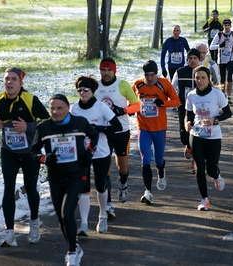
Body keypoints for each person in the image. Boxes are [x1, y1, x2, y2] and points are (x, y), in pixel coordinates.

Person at [30, 94, 99, 265]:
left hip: (77, 175)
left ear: (68, 108)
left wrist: (89, 153)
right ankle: (74, 245)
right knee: (61, 219)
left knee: (67, 213)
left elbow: (94, 135)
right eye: (52, 108)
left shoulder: (80, 122)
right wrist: (44, 159)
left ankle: (72, 252)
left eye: (59, 108)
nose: (55, 111)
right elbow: (33, 151)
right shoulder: (44, 127)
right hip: (56, 177)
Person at [0, 67, 50, 247]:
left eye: (13, 79)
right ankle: (9, 233)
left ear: (20, 83)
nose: (9, 82)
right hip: (8, 150)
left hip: (29, 151)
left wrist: (28, 127)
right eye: (6, 79)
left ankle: (34, 222)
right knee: (8, 188)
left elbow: (47, 121)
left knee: (31, 188)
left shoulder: (30, 100)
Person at [70, 76, 122, 236]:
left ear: (92, 91)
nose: (82, 93)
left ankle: (102, 216)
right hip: (83, 153)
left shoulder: (101, 107)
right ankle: (84, 224)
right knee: (84, 188)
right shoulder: (74, 109)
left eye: (85, 90)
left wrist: (99, 129)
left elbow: (117, 126)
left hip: (101, 152)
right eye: (79, 90)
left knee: (100, 185)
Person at [94, 57, 140, 219]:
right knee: (105, 170)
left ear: (115, 70)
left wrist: (123, 111)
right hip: (103, 133)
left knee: (123, 168)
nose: (106, 73)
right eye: (103, 70)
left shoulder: (123, 85)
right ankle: (108, 205)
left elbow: (137, 105)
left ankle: (123, 184)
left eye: (109, 70)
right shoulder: (95, 87)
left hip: (121, 131)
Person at [132, 60, 180, 204]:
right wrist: (130, 109)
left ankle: (161, 171)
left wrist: (163, 103)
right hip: (143, 128)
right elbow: (132, 101)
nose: (150, 78)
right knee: (145, 159)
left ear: (156, 74)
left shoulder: (164, 84)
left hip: (159, 129)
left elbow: (177, 101)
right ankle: (148, 192)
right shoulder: (137, 84)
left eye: (152, 75)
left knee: (158, 160)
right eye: (147, 75)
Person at [185, 66, 232, 211]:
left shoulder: (217, 94)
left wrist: (214, 120)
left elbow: (228, 113)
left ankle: (216, 175)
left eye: (203, 78)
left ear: (208, 78)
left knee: (210, 169)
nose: (200, 81)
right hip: (197, 135)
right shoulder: (191, 95)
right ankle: (204, 199)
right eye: (197, 78)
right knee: (199, 169)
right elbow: (189, 114)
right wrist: (187, 122)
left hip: (213, 136)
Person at [171, 49, 201, 174]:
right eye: (190, 58)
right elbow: (172, 88)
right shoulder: (180, 72)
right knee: (184, 136)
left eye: (195, 58)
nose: (193, 60)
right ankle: (188, 145)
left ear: (199, 60)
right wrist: (175, 100)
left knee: (198, 136)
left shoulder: (203, 72)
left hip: (200, 109)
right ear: (187, 60)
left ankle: (195, 162)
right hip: (184, 108)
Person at [209, 18, 233, 104]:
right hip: (221, 59)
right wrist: (219, 45)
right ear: (223, 26)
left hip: (231, 58)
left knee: (229, 77)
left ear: (230, 26)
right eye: (225, 25)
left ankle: (229, 95)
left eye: (228, 25)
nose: (227, 27)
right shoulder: (219, 35)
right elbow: (211, 47)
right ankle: (222, 96)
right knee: (222, 78)